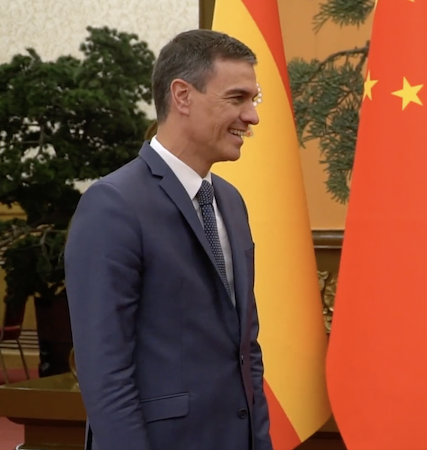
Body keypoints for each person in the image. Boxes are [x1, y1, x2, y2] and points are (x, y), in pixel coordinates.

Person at [64, 29, 272, 450]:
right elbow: (105, 375)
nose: (252, 116)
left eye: (255, 99)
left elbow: (246, 348)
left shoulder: (231, 202)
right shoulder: (113, 205)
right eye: (237, 98)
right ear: (182, 95)